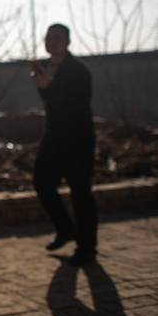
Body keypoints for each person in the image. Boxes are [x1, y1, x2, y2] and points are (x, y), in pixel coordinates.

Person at [31, 23, 98, 266]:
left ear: (67, 42)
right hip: (54, 136)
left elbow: (76, 105)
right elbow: (50, 102)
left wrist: (49, 86)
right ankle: (65, 228)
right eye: (49, 38)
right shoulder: (46, 67)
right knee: (42, 182)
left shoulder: (79, 71)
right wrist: (44, 86)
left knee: (81, 193)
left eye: (57, 38)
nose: (52, 42)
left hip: (78, 139)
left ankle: (87, 249)